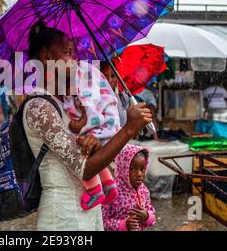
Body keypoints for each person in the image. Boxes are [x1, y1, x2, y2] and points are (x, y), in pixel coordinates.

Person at [22, 20, 152, 230]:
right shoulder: (40, 107)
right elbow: (84, 170)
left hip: (90, 212)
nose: (75, 61)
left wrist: (95, 145)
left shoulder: (67, 103)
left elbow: (98, 160)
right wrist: (129, 129)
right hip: (63, 217)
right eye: (68, 53)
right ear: (47, 58)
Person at [63, 62, 120, 211]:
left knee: (82, 152)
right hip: (109, 129)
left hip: (100, 130)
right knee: (96, 155)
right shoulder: (93, 84)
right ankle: (108, 184)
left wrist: (73, 125)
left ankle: (94, 190)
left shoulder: (84, 96)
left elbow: (87, 120)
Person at [102, 144, 156, 231]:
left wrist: (146, 216)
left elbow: (152, 215)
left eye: (142, 169)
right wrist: (124, 225)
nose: (139, 174)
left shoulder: (144, 190)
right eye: (132, 169)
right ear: (123, 167)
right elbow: (102, 222)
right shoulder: (112, 191)